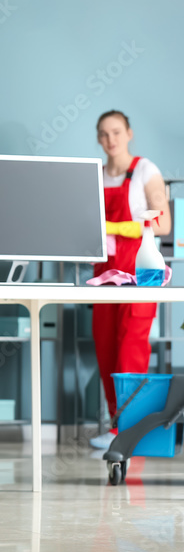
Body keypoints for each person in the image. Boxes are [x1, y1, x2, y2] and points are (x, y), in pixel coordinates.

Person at [89, 110, 171, 449]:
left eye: (117, 132)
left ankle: (130, 430)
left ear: (129, 134)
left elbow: (163, 225)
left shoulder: (144, 170)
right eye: (104, 134)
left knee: (130, 350)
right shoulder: (94, 176)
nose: (111, 140)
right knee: (106, 350)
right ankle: (117, 427)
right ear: (98, 138)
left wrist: (118, 227)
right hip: (103, 275)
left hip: (140, 272)